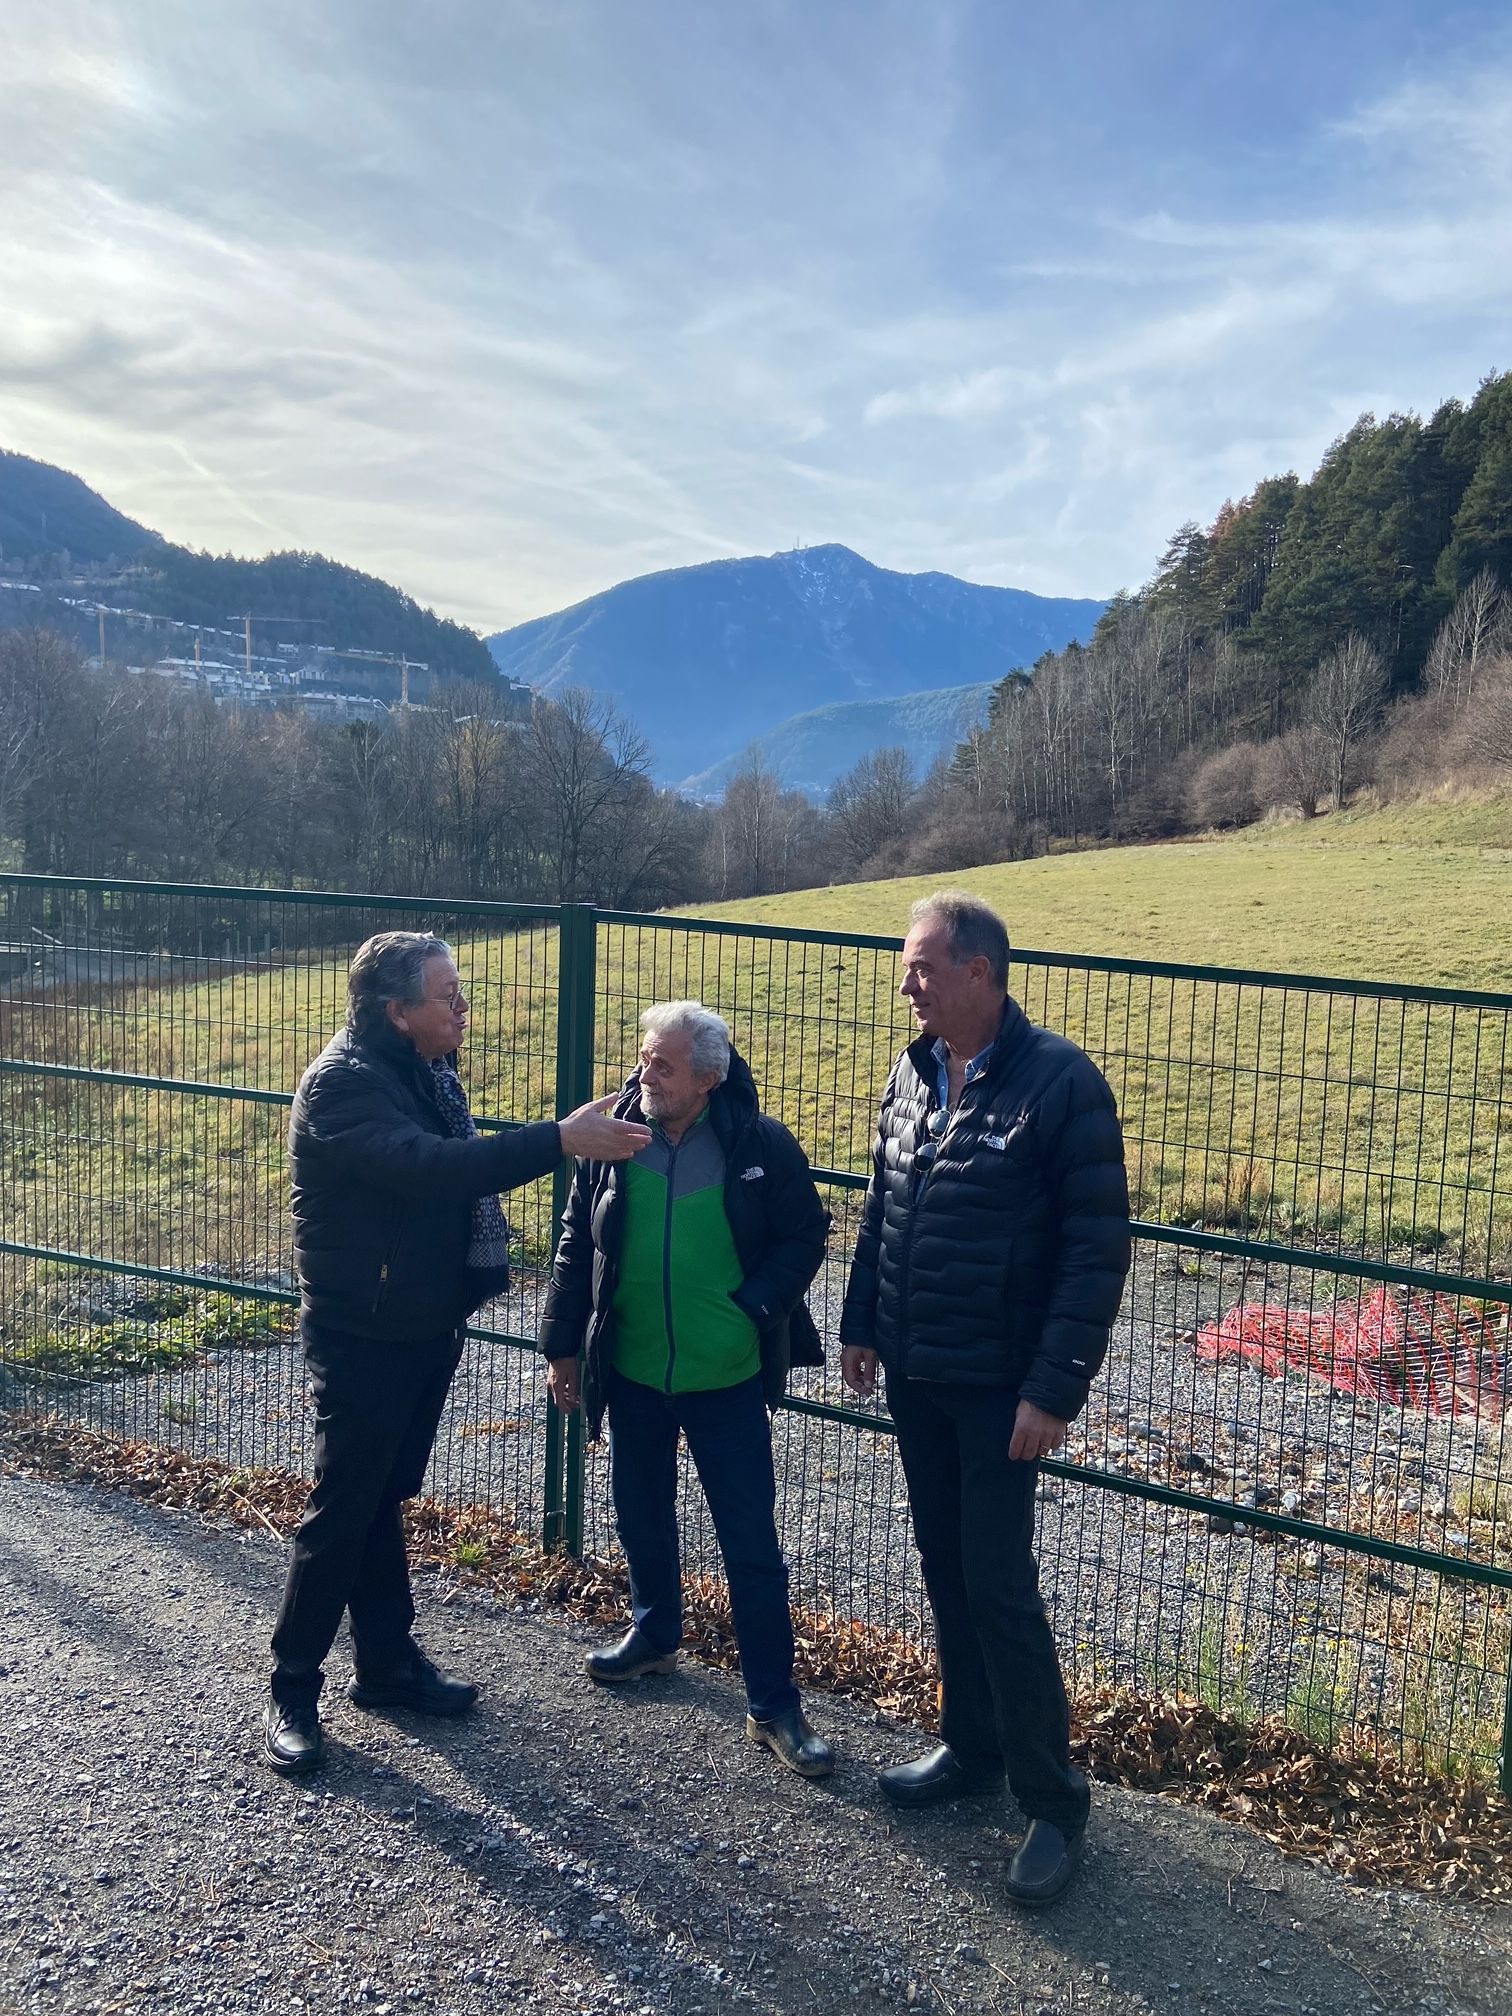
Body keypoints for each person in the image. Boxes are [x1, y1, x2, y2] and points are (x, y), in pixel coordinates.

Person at [264, 930, 650, 1776]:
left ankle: (388, 1666)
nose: (463, 1011)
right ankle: (293, 1686)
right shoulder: (343, 1088)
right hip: (363, 1329)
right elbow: (436, 1170)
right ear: (397, 1012)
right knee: (344, 1507)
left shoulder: (419, 1072)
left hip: (420, 1320)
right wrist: (559, 1140)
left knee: (381, 1495)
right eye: (448, 998)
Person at [840, 893, 1129, 1904]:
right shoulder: (913, 1071)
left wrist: (1053, 1389)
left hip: (1001, 1387)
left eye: (920, 966)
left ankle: (1054, 1803)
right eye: (905, 966)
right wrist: (861, 1319)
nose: (905, 982)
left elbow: (1096, 1254)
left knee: (999, 1582)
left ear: (978, 972)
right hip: (919, 1371)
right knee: (945, 1566)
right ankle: (972, 1748)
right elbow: (886, 1200)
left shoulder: (1061, 1085)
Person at [540, 1000, 835, 1778]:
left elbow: (807, 1232)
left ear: (709, 1077)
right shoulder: (612, 1140)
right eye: (643, 1058)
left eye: (663, 1065)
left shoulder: (758, 1144)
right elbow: (578, 1238)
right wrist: (561, 1345)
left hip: (725, 1379)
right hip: (633, 1371)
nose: (645, 1075)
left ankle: (774, 1705)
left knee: (751, 1546)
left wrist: (757, 1305)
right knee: (639, 1510)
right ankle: (655, 1634)